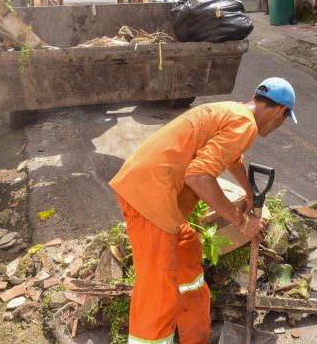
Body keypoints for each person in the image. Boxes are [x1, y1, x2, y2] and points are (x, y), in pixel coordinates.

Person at [108, 77, 298, 344]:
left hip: (159, 195)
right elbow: (197, 177)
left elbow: (232, 157)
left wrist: (248, 190)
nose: (280, 125)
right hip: (149, 198)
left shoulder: (234, 111)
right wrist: (243, 223)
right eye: (285, 119)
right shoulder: (245, 124)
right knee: (158, 292)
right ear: (281, 112)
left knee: (188, 256)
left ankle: (195, 338)